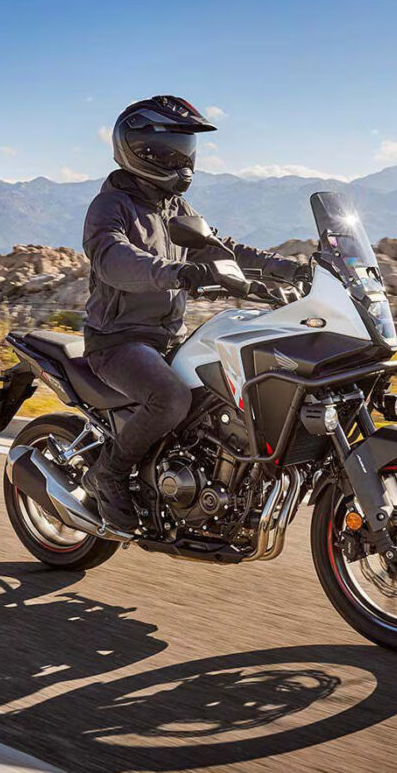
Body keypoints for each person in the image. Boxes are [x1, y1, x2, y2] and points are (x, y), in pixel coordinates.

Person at [80, 95, 309, 531]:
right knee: (171, 398)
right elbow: (115, 260)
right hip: (119, 341)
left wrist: (294, 267)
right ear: (143, 150)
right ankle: (107, 474)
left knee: (227, 394)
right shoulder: (110, 207)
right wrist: (180, 273)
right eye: (175, 149)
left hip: (168, 338)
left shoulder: (174, 207)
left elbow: (226, 249)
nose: (185, 160)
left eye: (188, 148)